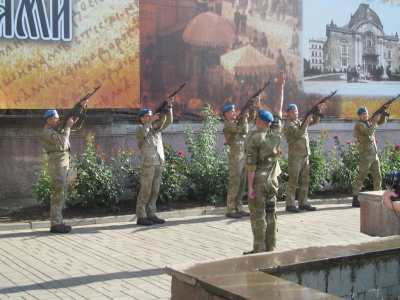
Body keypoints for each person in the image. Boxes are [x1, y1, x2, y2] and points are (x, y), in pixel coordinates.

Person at [244, 70, 285, 254]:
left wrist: (250, 186)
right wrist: (280, 87)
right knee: (271, 213)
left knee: (258, 215)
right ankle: (271, 246)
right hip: (273, 181)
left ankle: (259, 249)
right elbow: (278, 108)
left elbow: (251, 165)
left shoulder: (254, 138)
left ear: (259, 121)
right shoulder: (275, 132)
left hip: (259, 181)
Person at [41, 103, 88, 233]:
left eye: (57, 118)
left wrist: (79, 108)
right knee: (58, 194)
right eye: (55, 119)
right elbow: (62, 142)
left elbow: (71, 120)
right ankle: (55, 224)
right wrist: (67, 127)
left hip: (62, 165)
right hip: (57, 166)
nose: (58, 120)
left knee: (62, 194)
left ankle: (59, 221)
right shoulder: (47, 132)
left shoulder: (55, 129)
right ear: (48, 120)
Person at [135, 97, 174, 226]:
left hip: (158, 162)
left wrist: (169, 107)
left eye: (151, 116)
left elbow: (168, 121)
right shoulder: (140, 129)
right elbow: (143, 133)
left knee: (155, 190)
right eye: (147, 116)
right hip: (148, 163)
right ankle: (141, 216)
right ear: (141, 118)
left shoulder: (156, 128)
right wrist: (149, 122)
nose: (150, 118)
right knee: (145, 190)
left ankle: (151, 214)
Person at [283, 102, 324, 213]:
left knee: (305, 181)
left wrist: (317, 111)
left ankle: (303, 203)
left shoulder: (299, 122)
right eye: (292, 112)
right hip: (295, 157)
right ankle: (290, 204)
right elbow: (298, 134)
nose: (295, 113)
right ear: (288, 114)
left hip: (305, 155)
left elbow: (315, 121)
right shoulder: (288, 124)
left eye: (296, 111)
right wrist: (306, 122)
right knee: (293, 180)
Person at [222, 98, 258, 219]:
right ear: (226, 114)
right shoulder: (228, 125)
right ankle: (230, 209)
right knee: (234, 183)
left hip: (242, 155)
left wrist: (252, 106)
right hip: (235, 157)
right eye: (231, 112)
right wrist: (245, 118)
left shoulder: (235, 123)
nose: (234, 113)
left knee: (242, 183)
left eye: (234, 111)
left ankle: (239, 207)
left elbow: (250, 119)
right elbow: (244, 130)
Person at [352, 106, 387, 207]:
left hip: (373, 154)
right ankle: (355, 197)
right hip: (365, 155)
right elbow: (369, 132)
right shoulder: (359, 125)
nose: (366, 115)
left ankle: (378, 196)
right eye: (363, 114)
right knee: (362, 176)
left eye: (366, 113)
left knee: (378, 176)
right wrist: (375, 121)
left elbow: (380, 123)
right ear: (359, 116)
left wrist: (383, 113)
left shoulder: (368, 123)